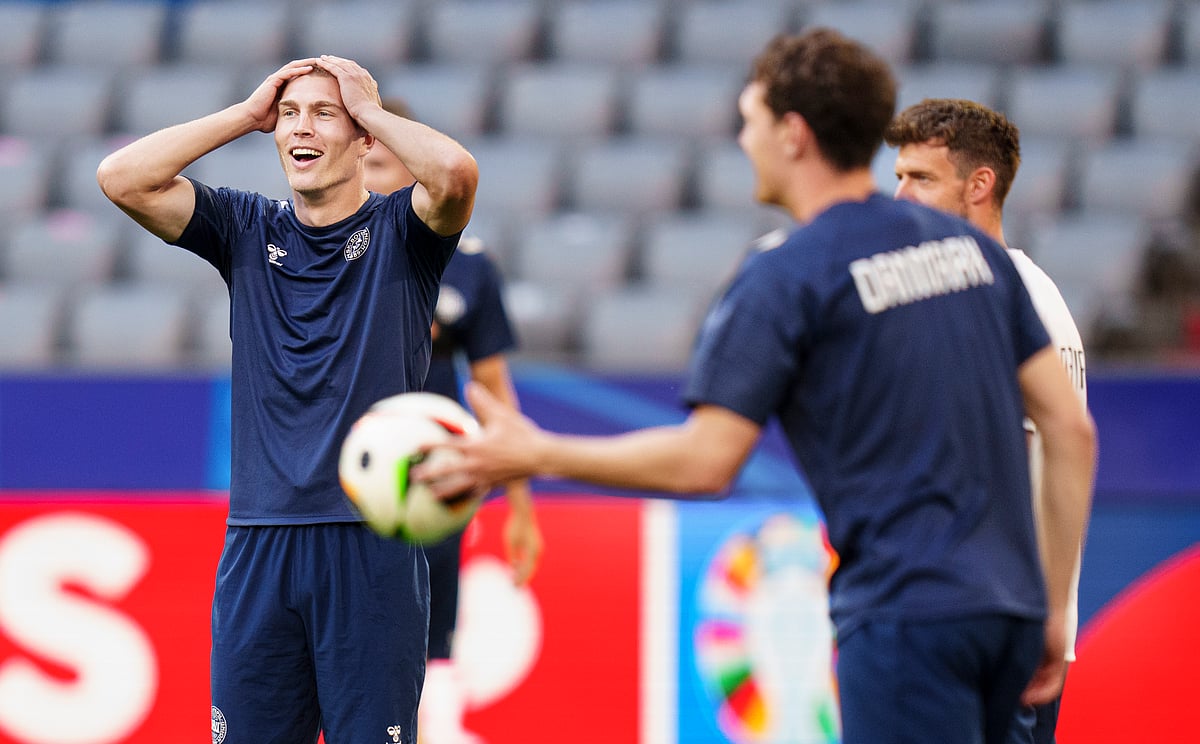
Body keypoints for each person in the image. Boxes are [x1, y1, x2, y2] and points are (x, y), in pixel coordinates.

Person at [415, 30, 1097, 744]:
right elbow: (1072, 430)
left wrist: (537, 452)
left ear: (793, 135)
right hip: (1013, 615)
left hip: (907, 615)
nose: (743, 140)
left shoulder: (786, 274)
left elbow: (706, 462)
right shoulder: (972, 255)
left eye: (750, 120)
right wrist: (1051, 609)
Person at [96, 55, 479, 742]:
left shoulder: (404, 234)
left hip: (369, 546)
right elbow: (121, 178)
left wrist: (369, 108)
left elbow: (454, 174)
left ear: (364, 138)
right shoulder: (247, 229)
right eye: (291, 113)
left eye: (324, 113)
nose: (301, 129)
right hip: (258, 545)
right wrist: (246, 114)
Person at [885, 98, 1088, 744]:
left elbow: (1027, 465)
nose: (899, 194)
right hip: (980, 626)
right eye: (898, 176)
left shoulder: (1012, 299)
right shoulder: (997, 293)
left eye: (920, 178)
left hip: (997, 634)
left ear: (980, 185)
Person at [364, 98, 543, 744]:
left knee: (430, 648)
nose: (374, 176)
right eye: (367, 160)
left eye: (387, 161)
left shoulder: (467, 264)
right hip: (336, 482)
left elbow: (493, 389)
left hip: (431, 481)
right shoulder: (324, 251)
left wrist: (520, 506)